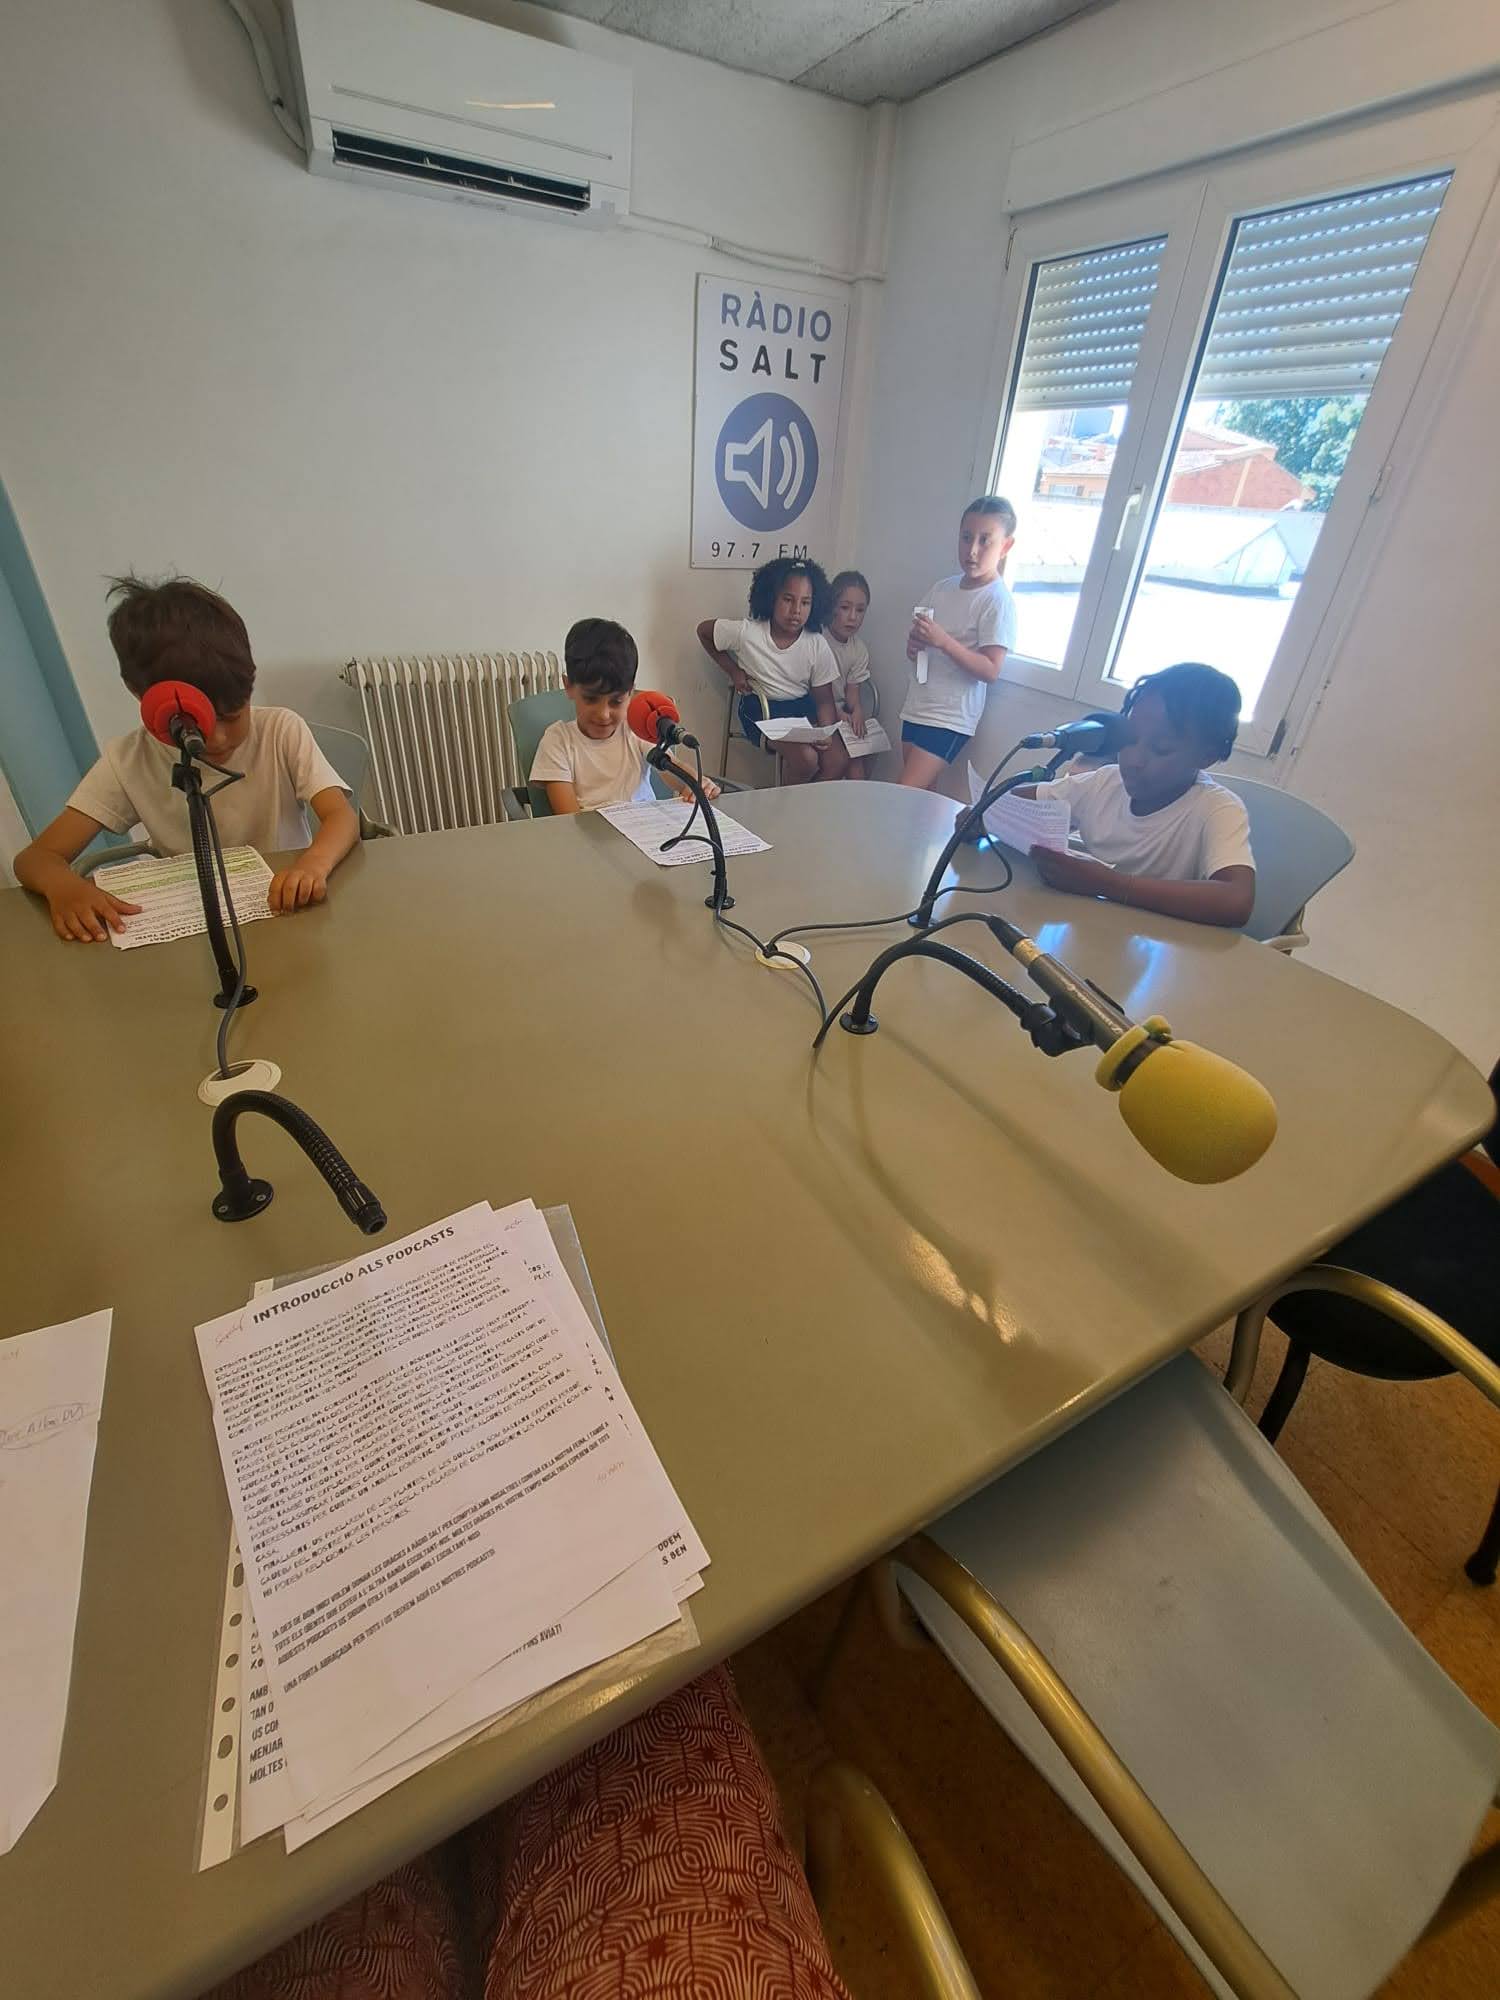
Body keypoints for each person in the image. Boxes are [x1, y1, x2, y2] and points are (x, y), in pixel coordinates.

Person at [13, 575, 358, 941]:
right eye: (200, 722)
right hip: (198, 931)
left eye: (232, 716)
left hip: (288, 918)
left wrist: (313, 864)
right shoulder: (129, 760)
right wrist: (65, 887)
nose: (220, 738)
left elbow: (341, 817)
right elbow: (35, 858)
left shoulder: (281, 730)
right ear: (139, 694)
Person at [1024, 662, 1256, 928]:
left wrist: (1109, 885)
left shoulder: (1217, 808)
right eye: (1130, 739)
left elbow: (1236, 901)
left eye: (1161, 749)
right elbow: (1012, 800)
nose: (1134, 759)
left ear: (1207, 756)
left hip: (1162, 945)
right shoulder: (1105, 782)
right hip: (1087, 930)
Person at [528, 617, 718, 815]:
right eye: (591, 699)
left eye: (616, 701)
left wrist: (696, 783)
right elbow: (568, 818)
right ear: (568, 687)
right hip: (587, 831)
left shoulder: (636, 728)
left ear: (630, 693)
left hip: (646, 827)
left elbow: (672, 769)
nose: (603, 715)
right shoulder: (558, 741)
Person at [697, 557, 849, 785]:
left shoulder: (816, 643)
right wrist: (733, 671)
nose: (796, 610)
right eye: (788, 599)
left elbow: (824, 700)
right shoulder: (748, 633)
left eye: (805, 602)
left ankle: (803, 800)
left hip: (802, 711)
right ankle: (786, 803)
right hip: (762, 711)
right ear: (771, 597)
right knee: (807, 759)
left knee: (837, 759)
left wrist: (826, 731)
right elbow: (704, 631)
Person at [901, 496, 1018, 790]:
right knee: (921, 799)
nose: (972, 550)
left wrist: (943, 641)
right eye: (966, 538)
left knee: (903, 792)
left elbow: (991, 669)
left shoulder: (996, 600)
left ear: (1005, 546)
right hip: (918, 705)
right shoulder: (943, 588)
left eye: (985, 540)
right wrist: (915, 646)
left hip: (950, 716)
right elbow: (920, 639)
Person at [826, 569, 875, 780]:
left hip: (840, 716)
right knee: (841, 758)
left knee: (859, 758)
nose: (853, 617)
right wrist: (836, 713)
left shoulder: (859, 649)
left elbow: (852, 692)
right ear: (832, 606)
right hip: (815, 711)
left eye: (860, 610)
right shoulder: (818, 639)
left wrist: (857, 711)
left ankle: (857, 799)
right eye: (845, 608)